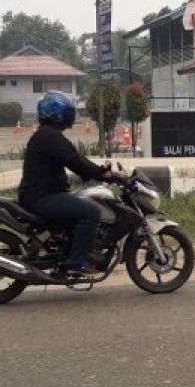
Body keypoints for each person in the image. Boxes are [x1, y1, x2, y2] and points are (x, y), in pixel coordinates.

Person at [18, 92, 120, 277]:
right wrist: (103, 173)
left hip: (40, 194)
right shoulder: (51, 137)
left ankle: (66, 254)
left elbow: (74, 160)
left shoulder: (46, 135)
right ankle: (75, 263)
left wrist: (96, 172)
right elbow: (75, 161)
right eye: (68, 112)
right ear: (57, 114)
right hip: (42, 197)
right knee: (91, 213)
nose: (71, 116)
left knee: (80, 205)